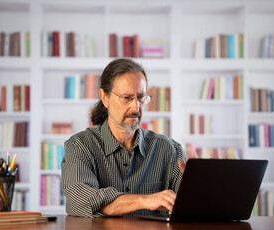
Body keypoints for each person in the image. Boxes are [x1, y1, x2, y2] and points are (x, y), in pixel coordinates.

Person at [61, 58, 188, 218]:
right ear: (104, 97)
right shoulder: (79, 146)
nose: (136, 107)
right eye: (127, 98)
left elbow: (190, 208)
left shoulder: (170, 150)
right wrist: (145, 200)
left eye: (141, 97)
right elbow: (80, 201)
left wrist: (196, 187)